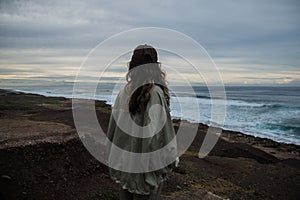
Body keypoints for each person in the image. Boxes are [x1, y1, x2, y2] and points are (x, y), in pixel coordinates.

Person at [106, 44, 178, 200]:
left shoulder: (123, 92)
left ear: (132, 66)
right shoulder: (155, 94)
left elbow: (113, 131)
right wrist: (171, 160)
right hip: (146, 173)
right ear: (155, 68)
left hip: (125, 169)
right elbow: (162, 136)